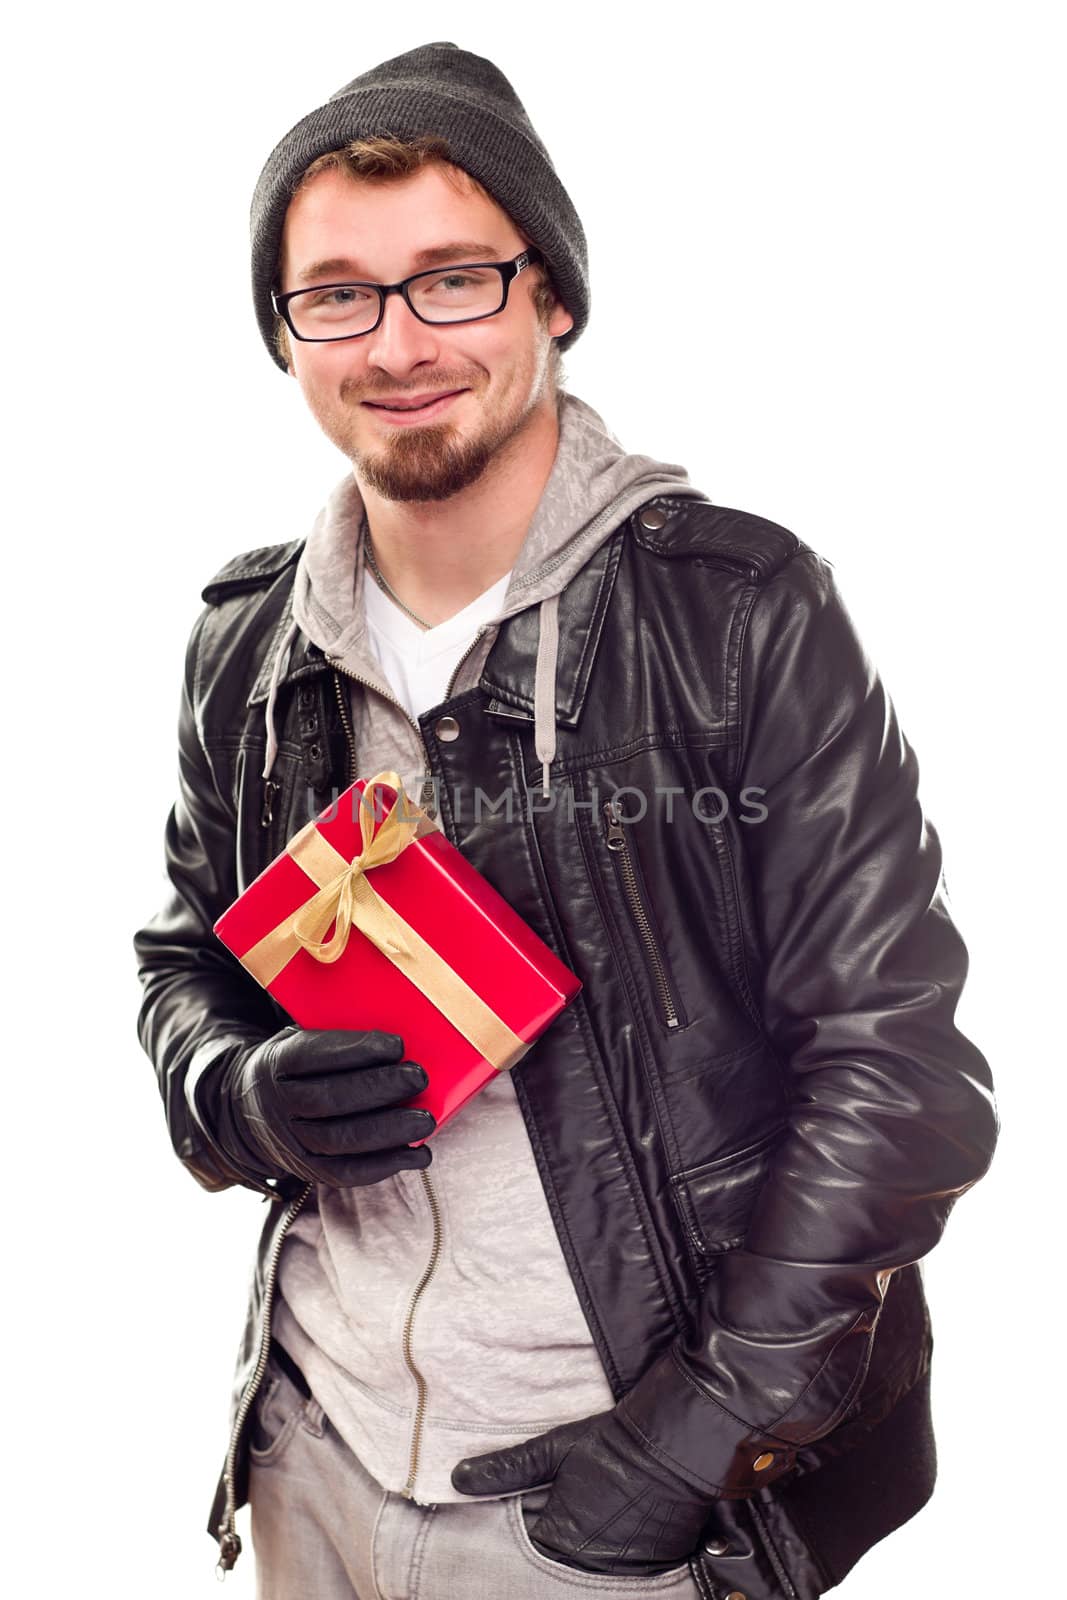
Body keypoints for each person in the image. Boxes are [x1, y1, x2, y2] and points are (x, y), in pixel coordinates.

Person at [132, 40, 998, 1600]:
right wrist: (233, 1087)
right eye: (338, 293)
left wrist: (698, 1441)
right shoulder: (247, 643)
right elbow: (182, 960)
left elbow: (904, 1075)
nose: (397, 341)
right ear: (286, 333)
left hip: (609, 1495)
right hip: (311, 1461)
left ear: (554, 297)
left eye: (454, 279)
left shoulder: (735, 613)